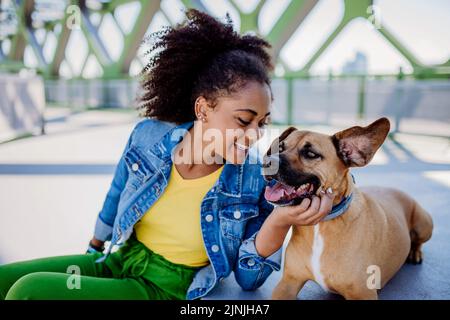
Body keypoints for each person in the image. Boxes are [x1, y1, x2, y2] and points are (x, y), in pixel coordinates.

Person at [0, 9, 335, 300]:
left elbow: (249, 281)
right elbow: (118, 191)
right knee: (5, 279)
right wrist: (96, 246)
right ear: (203, 108)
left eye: (262, 123)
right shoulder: (149, 136)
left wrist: (278, 222)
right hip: (122, 258)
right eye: (244, 120)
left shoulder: (253, 179)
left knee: (28, 291)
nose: (255, 135)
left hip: (164, 287)